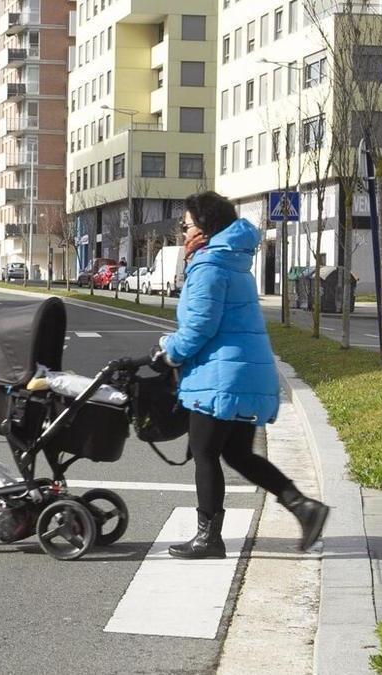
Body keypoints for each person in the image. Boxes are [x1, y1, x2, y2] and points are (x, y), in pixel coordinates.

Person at [155, 191, 329, 559]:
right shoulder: (230, 261)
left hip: (222, 377)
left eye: (185, 225)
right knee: (236, 453)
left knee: (204, 452)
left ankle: (208, 537)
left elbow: (199, 326)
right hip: (243, 373)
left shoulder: (210, 266)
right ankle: (302, 506)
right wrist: (191, 259)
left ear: (204, 227)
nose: (182, 231)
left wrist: (169, 351)